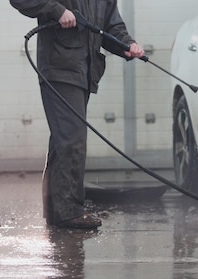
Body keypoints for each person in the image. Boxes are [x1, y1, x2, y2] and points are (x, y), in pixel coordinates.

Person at [9, 0, 145, 229]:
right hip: (59, 69)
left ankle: (57, 211)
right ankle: (69, 212)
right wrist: (58, 11)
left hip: (84, 70)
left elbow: (111, 25)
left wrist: (126, 43)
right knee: (71, 138)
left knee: (64, 140)